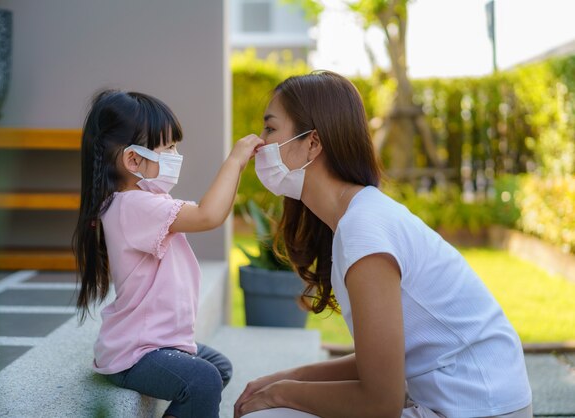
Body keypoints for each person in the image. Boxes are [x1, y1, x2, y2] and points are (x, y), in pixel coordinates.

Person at [234, 71, 532, 418]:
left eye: (270, 129)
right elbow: (381, 361)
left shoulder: (363, 227)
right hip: (480, 404)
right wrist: (287, 379)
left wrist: (280, 394)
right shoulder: (358, 215)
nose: (258, 143)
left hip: (480, 409)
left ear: (312, 143)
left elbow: (381, 403)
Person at [73, 90, 263, 418]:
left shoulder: (147, 202)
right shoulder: (133, 205)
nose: (177, 154)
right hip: (136, 352)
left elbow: (214, 211)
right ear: (133, 160)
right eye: (169, 148)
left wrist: (240, 167)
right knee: (203, 379)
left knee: (217, 368)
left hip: (158, 342)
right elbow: (208, 215)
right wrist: (235, 160)